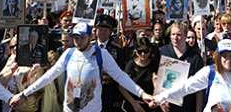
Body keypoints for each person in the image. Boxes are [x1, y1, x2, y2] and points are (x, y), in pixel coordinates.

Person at [9, 23, 155, 111]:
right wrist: (23, 95)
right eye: (76, 38)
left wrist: (143, 94)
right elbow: (48, 76)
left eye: (82, 37)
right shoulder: (68, 54)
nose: (78, 41)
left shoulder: (101, 54)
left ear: (91, 37)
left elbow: (120, 76)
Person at [152, 39, 231, 112]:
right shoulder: (210, 72)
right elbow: (185, 87)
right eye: (224, 56)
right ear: (218, 57)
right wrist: (161, 97)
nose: (228, 60)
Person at [159, 21, 204, 112]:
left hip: (187, 106)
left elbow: (200, 87)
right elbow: (156, 77)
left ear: (185, 36)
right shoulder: (164, 51)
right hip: (166, 106)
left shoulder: (195, 56)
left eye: (179, 34)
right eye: (173, 34)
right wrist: (160, 99)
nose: (175, 37)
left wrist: (198, 110)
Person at [92, 15, 125, 112]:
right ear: (96, 31)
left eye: (105, 30)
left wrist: (118, 97)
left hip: (109, 90)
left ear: (110, 32)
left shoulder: (117, 49)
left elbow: (120, 73)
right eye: (100, 30)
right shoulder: (89, 47)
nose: (102, 32)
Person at [120, 38, 160, 112]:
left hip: (150, 106)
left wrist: (155, 99)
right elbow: (122, 87)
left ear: (150, 50)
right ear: (135, 51)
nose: (143, 54)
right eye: (140, 52)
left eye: (146, 51)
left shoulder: (155, 65)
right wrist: (133, 102)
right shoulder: (130, 66)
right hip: (132, 106)